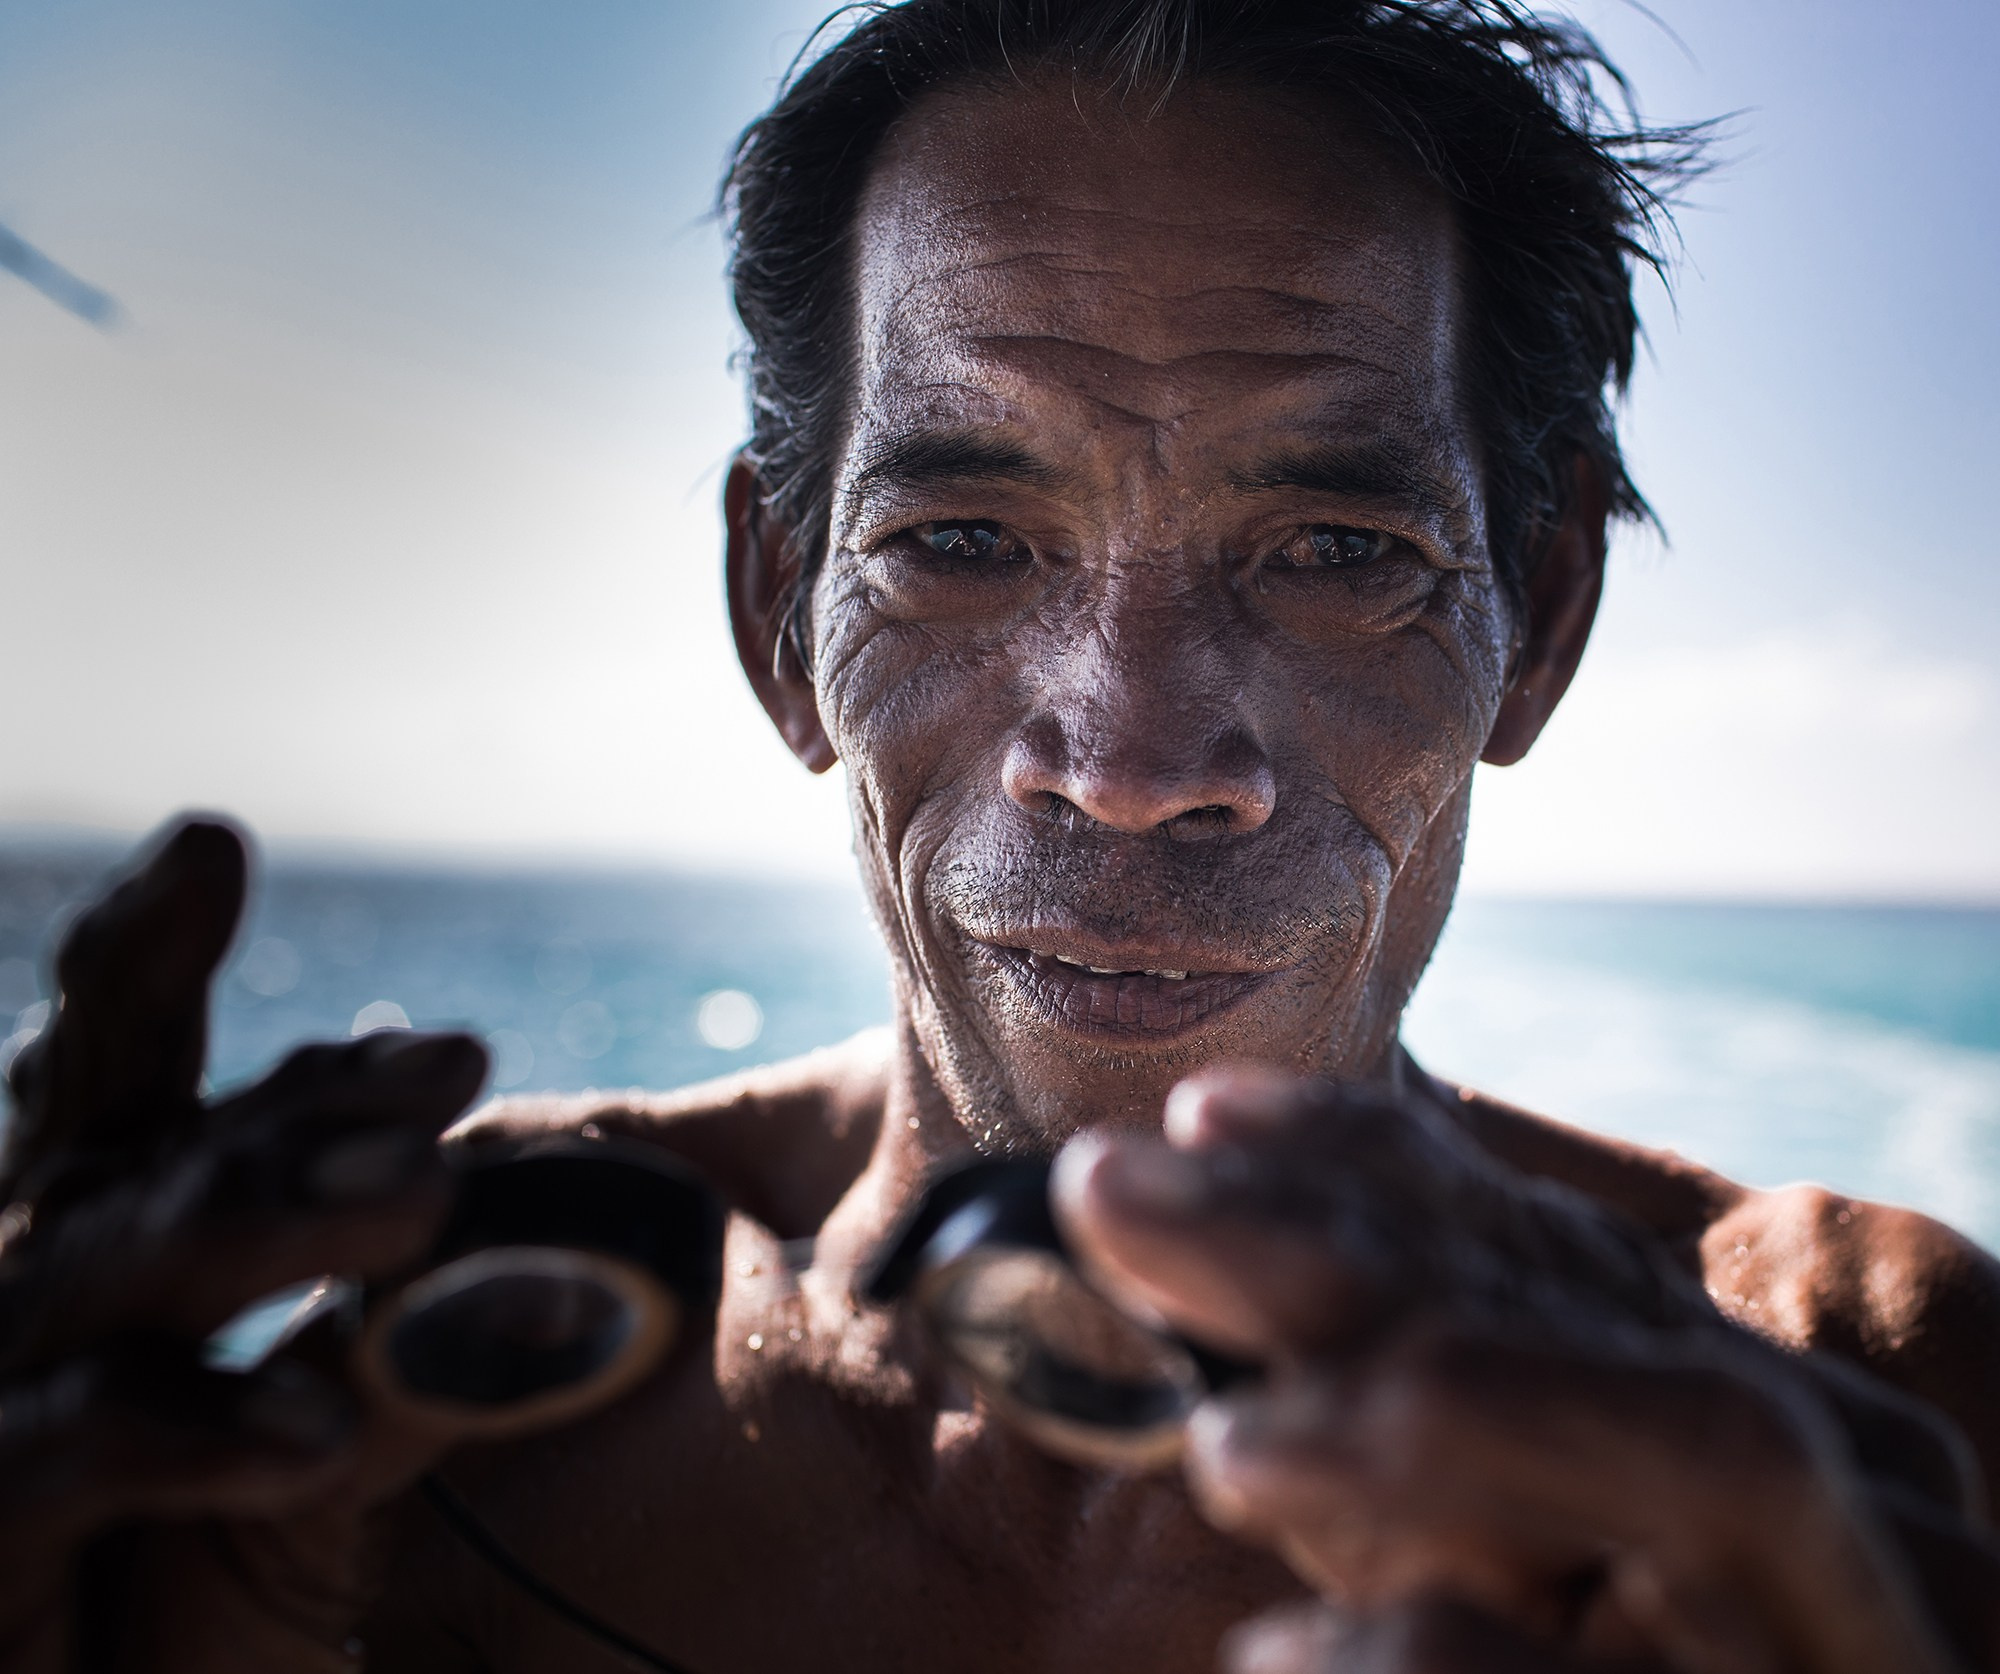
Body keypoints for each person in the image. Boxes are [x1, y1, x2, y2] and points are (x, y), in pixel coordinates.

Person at [4, 2, 1998, 1670]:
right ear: (779, 613)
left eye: (1333, 551)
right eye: (960, 541)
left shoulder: (1855, 1403)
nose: (1129, 757)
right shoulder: (375, 1425)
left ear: (1537, 619)